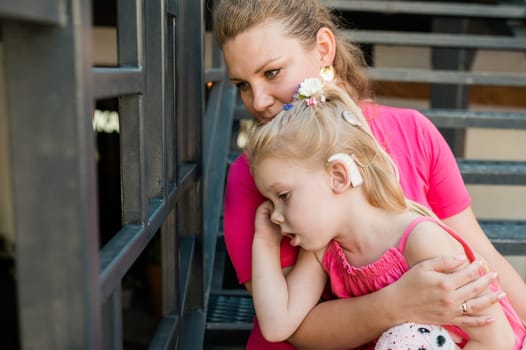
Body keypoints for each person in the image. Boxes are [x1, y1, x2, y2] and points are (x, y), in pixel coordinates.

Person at [215, 0, 526, 348]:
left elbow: (482, 262)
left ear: (323, 50)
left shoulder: (413, 135)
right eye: (242, 84)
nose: (257, 101)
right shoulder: (255, 177)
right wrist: (397, 303)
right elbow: (291, 327)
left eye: (271, 73)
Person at [244, 78, 526, 349]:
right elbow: (277, 325)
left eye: (283, 196)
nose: (276, 215)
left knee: (407, 338)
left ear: (339, 176)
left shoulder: (421, 240)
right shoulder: (325, 251)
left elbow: (496, 340)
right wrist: (264, 242)